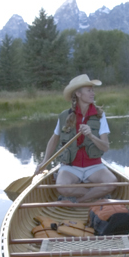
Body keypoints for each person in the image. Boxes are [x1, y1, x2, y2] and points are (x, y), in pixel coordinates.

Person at [34, 74, 117, 202]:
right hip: (71, 167)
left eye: (92, 90)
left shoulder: (100, 116)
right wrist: (44, 162)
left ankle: (80, 200)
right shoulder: (64, 116)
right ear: (78, 94)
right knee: (61, 187)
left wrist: (91, 136)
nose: (93, 93)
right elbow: (53, 140)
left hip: (94, 166)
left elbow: (105, 147)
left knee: (112, 182)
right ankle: (95, 195)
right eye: (89, 90)